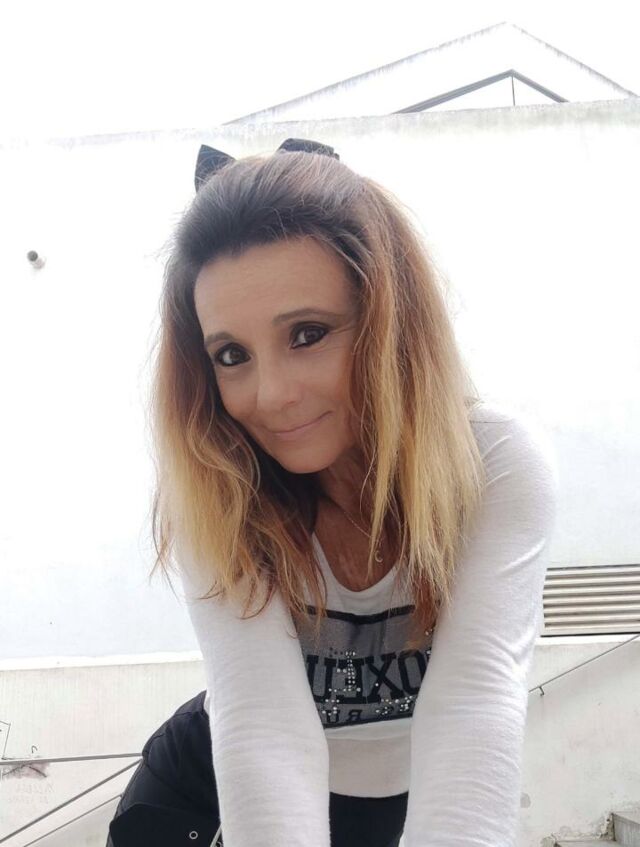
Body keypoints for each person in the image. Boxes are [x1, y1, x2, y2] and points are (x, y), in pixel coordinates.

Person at [107, 138, 559, 846]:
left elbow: (476, 699)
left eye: (308, 333)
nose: (271, 395)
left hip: (391, 797)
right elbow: (263, 722)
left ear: (391, 322)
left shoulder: (495, 463)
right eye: (232, 355)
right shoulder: (217, 482)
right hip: (209, 786)